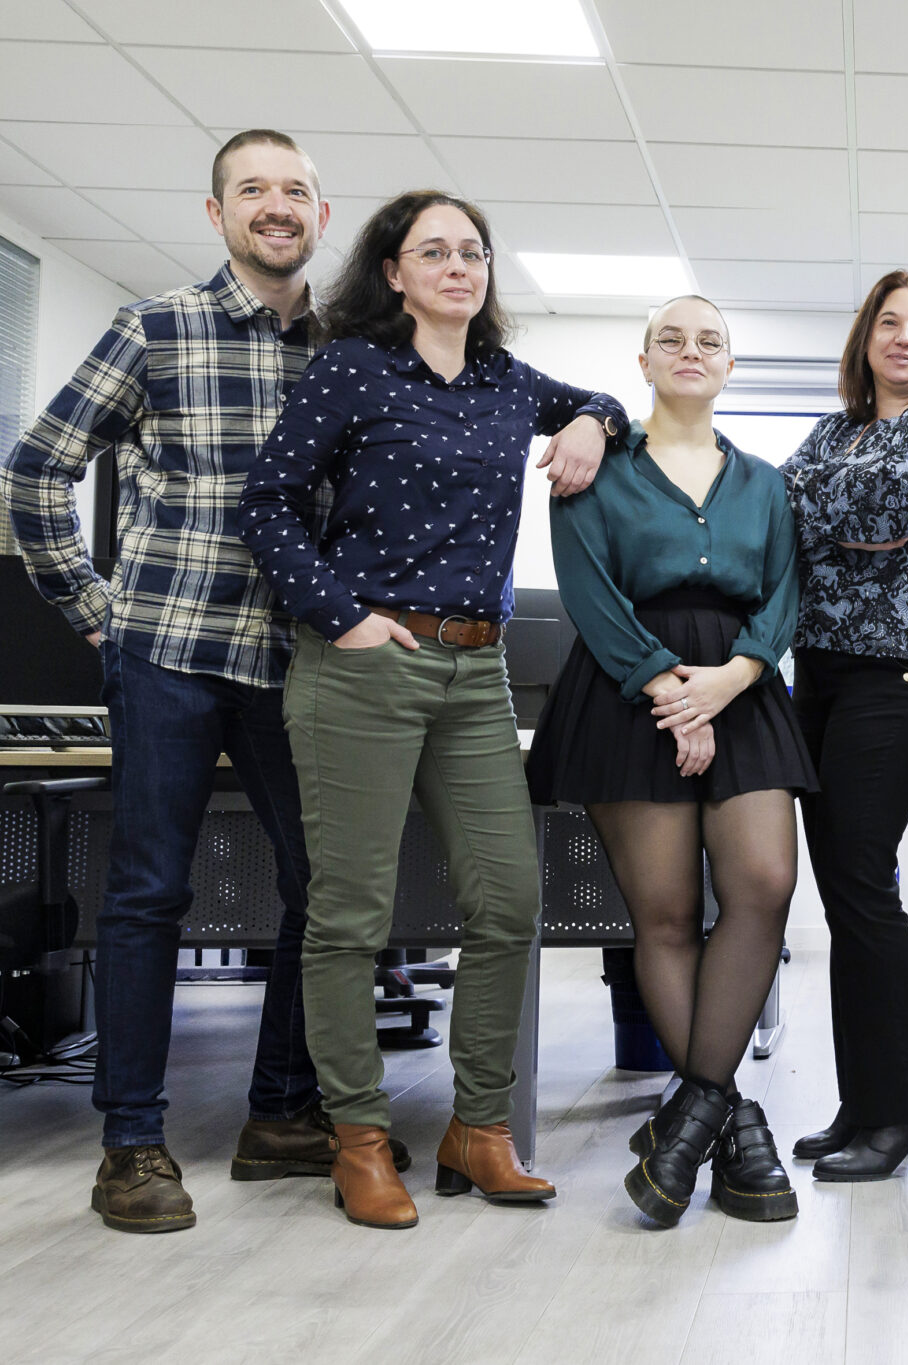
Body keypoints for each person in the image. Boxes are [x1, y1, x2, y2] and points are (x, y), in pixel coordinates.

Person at [0, 129, 404, 1234]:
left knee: (324, 892)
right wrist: (95, 611)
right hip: (170, 647)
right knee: (147, 895)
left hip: (297, 662)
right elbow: (37, 467)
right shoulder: (157, 325)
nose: (277, 205)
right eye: (253, 189)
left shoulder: (353, 347)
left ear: (323, 218)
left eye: (298, 191)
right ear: (218, 211)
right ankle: (130, 1144)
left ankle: (281, 1114)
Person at [238, 189, 623, 1230]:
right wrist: (342, 616)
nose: (460, 266)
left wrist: (588, 419)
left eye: (474, 252)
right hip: (367, 664)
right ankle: (358, 1139)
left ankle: (478, 1129)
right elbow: (264, 502)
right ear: (395, 272)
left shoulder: (506, 381)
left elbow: (611, 404)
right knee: (350, 916)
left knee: (508, 903)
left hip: (477, 674)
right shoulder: (354, 368)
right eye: (435, 251)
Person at [526, 295, 812, 1227]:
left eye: (711, 341)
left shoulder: (767, 483)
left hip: (744, 686)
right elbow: (589, 590)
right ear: (642, 361)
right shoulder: (594, 469)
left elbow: (782, 595)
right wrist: (665, 690)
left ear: (731, 368)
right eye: (672, 339)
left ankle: (691, 1111)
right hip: (624, 690)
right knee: (668, 912)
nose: (692, 351)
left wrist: (724, 685)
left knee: (765, 882)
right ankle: (728, 1120)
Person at [771, 271, 908, 1181]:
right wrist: (844, 521)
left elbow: (882, 507)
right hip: (819, 674)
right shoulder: (831, 431)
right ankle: (867, 1100)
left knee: (859, 876)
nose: (904, 338)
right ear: (864, 339)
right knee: (845, 883)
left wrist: (843, 516)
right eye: (888, 323)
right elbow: (778, 516)